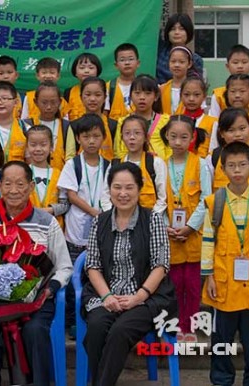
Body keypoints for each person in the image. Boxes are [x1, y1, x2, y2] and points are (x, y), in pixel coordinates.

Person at [0, 161, 73, 386]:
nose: (14, 190)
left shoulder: (47, 222)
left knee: (35, 330)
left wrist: (49, 290)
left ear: (31, 186)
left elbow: (64, 266)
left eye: (20, 184)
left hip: (38, 301)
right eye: (8, 184)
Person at [83, 162, 176, 386]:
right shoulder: (100, 221)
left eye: (129, 187)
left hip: (147, 298)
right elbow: (93, 266)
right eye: (117, 187)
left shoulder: (153, 220)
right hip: (107, 296)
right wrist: (107, 297)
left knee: (120, 331)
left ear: (139, 189)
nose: (123, 194)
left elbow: (161, 265)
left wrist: (138, 297)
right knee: (95, 329)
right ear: (110, 189)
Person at [201, 141, 249, 386]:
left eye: (242, 165)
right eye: (231, 165)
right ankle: (222, 380)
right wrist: (209, 276)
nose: (237, 170)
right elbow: (208, 241)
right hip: (224, 284)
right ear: (222, 169)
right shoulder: (215, 202)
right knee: (221, 339)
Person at [57, 113, 110, 336]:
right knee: (72, 281)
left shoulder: (109, 165)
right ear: (78, 138)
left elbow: (111, 193)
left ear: (103, 138)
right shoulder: (73, 164)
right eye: (86, 136)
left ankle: (94, 318)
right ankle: (72, 321)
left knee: (96, 278)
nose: (91, 141)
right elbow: (70, 195)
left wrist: (103, 215)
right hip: (76, 231)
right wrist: (93, 212)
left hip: (100, 233)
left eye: (96, 136)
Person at [160, 115, 211, 341]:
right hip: (170, 235)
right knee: (175, 284)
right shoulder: (160, 164)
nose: (178, 142)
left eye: (183, 137)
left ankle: (190, 326)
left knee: (191, 285)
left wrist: (190, 227)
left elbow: (206, 199)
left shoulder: (200, 164)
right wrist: (166, 227)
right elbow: (160, 201)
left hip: (193, 235)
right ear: (166, 137)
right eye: (173, 136)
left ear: (192, 138)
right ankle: (177, 325)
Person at [207, 108, 249, 225]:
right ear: (221, 133)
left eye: (242, 128)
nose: (238, 134)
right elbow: (207, 194)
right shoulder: (213, 158)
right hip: (224, 226)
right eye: (231, 130)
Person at [101, 115, 167, 214]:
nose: (132, 137)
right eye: (127, 133)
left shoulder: (156, 163)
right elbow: (105, 197)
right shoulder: (115, 164)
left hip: (149, 220)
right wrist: (115, 216)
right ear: (122, 137)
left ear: (146, 137)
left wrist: (150, 218)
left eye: (137, 133)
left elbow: (163, 199)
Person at [113, 75, 171, 160]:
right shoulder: (123, 121)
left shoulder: (166, 121)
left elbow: (170, 150)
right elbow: (118, 151)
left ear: (156, 96)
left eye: (147, 93)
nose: (142, 97)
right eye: (137, 93)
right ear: (131, 96)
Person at [26, 125, 69, 227]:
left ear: (51, 146)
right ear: (27, 146)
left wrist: (50, 210)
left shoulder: (59, 174)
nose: (38, 149)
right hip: (28, 226)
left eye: (43, 144)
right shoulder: (23, 172)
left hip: (53, 227)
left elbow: (65, 204)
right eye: (33, 145)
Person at [209, 45, 249, 118]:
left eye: (244, 62)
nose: (240, 66)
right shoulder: (218, 95)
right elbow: (213, 122)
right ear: (227, 66)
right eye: (235, 62)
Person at [65, 77, 114, 161]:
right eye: (88, 95)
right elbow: (70, 155)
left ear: (105, 97)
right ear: (81, 97)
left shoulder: (113, 125)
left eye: (98, 95)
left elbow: (117, 155)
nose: (92, 99)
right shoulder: (73, 126)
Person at [23, 81, 67, 170]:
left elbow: (70, 155)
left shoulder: (66, 126)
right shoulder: (26, 124)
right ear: (35, 102)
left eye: (53, 102)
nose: (49, 107)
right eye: (44, 102)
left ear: (60, 102)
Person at [156, 13, 203, 84]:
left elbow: (197, 85)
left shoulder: (196, 59)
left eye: (181, 29)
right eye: (173, 29)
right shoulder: (160, 51)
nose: (176, 32)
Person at [180, 76, 216, 157]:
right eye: (186, 94)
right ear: (181, 96)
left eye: (196, 95)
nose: (191, 99)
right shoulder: (175, 121)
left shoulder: (213, 122)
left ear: (204, 96)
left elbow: (213, 150)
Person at [105, 43, 140, 120]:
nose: (127, 63)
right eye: (122, 60)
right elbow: (104, 115)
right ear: (116, 65)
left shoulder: (145, 85)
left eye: (131, 59)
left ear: (138, 63)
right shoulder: (108, 87)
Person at [64, 53, 102, 121]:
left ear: (97, 71)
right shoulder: (68, 92)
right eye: (82, 68)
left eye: (91, 68)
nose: (86, 71)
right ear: (75, 72)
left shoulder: (104, 90)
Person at [160, 46, 195, 115]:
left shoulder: (195, 88)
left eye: (181, 62)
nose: (177, 65)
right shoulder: (162, 88)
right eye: (173, 61)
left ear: (189, 64)